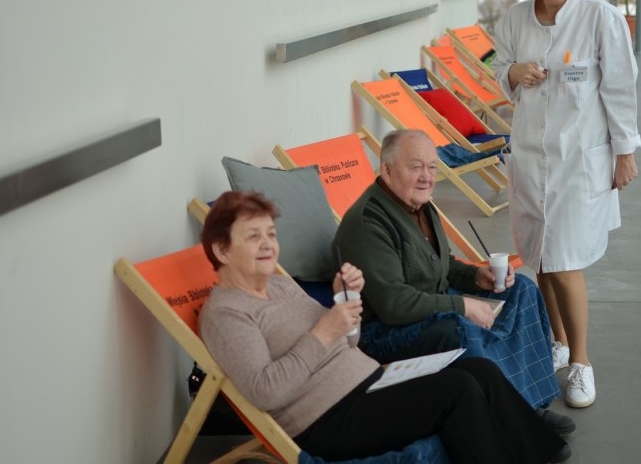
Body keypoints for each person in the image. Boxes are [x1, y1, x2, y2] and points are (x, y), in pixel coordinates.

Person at [198, 190, 572, 464]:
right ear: (221, 250)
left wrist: (346, 305)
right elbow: (264, 390)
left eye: (271, 235)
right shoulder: (226, 313)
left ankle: (544, 453)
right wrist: (322, 332)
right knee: (455, 390)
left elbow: (348, 343)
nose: (267, 245)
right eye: (253, 236)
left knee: (478, 369)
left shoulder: (279, 285)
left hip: (370, 383)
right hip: (327, 418)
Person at [491, 0, 641, 409]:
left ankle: (581, 363)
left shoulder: (600, 17)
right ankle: (556, 343)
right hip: (530, 159)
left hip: (580, 160)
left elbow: (620, 89)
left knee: (568, 259)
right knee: (541, 259)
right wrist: (514, 73)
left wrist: (624, 152)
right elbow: (496, 74)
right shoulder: (513, 18)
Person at [331, 129, 573, 434]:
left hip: (430, 304)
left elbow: (443, 264)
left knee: (521, 289)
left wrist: (477, 277)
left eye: (432, 167)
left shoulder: (421, 206)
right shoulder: (369, 224)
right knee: (459, 325)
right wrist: (463, 306)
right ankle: (510, 420)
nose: (426, 177)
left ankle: (530, 403)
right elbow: (394, 305)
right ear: (387, 170)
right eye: (415, 166)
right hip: (386, 333)